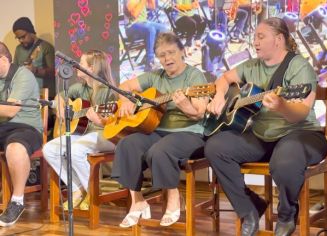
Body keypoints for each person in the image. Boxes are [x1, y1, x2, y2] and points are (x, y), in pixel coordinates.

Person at [204, 17, 327, 236]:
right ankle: (249, 209)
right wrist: (219, 96)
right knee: (215, 147)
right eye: (254, 38)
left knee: (285, 161)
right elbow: (224, 78)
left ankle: (286, 216)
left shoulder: (299, 67)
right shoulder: (251, 65)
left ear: (279, 39)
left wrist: (282, 106)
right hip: (261, 135)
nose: (255, 42)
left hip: (300, 133)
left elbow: (300, 112)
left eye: (261, 37)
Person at [111, 32, 208, 228]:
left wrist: (186, 106)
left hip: (190, 131)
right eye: (162, 55)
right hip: (159, 131)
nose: (167, 59)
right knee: (127, 144)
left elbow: (199, 114)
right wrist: (126, 100)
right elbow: (123, 87)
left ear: (182, 51)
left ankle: (174, 197)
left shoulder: (195, 76)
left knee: (160, 150)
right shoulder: (155, 76)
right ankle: (138, 201)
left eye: (171, 52)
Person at [43, 50, 117, 211]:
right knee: (49, 149)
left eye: (80, 63)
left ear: (91, 68)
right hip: (86, 135)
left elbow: (116, 122)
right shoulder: (80, 88)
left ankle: (92, 191)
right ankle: (78, 188)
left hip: (108, 136)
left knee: (75, 150)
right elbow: (59, 97)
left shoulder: (108, 92)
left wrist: (100, 120)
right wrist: (61, 111)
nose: (76, 66)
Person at [0, 42, 42, 226]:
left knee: (15, 148)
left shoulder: (22, 75)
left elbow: (10, 111)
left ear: (3, 59)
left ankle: (17, 201)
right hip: (2, 128)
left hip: (25, 127)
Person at [12, 17, 55, 99]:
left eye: (23, 37)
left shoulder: (46, 47)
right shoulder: (18, 49)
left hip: (43, 96)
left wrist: (35, 70)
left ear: (31, 32)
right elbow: (14, 71)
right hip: (24, 96)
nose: (21, 40)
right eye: (18, 38)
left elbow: (54, 72)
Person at [124, 0, 168, 71]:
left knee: (163, 28)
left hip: (144, 24)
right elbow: (134, 14)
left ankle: (148, 57)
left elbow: (152, 7)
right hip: (131, 27)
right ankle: (149, 62)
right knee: (150, 29)